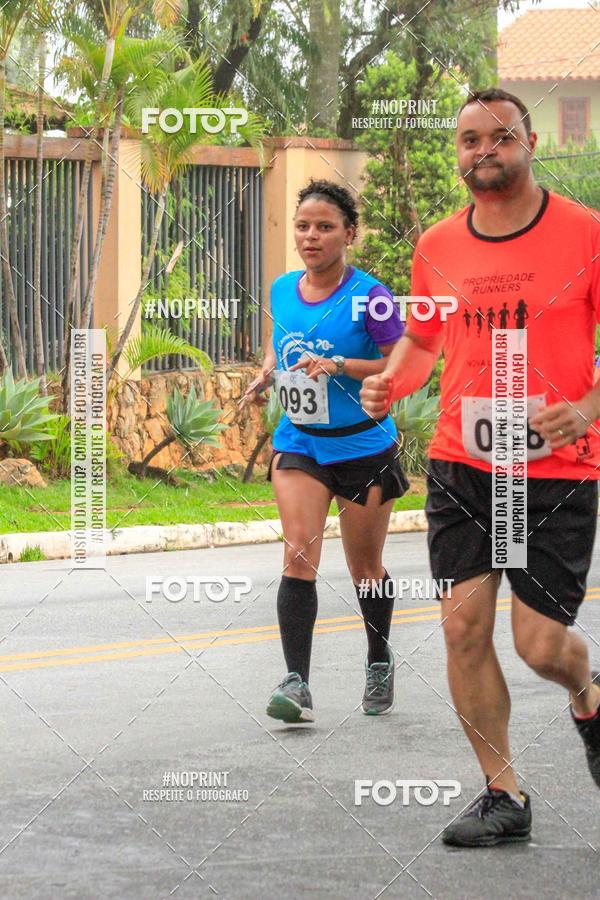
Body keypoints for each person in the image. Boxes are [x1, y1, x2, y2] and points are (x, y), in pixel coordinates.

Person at [360, 88, 600, 846]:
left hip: (557, 464)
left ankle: (588, 693)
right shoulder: (435, 246)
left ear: (530, 143)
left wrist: (589, 410)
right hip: (465, 461)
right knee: (464, 630)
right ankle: (503, 795)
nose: (483, 152)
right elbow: (425, 343)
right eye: (469, 141)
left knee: (539, 647)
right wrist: (388, 383)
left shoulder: (586, 235)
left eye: (499, 138)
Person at [240, 179, 408, 723]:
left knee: (365, 568)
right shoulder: (283, 288)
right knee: (298, 552)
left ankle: (378, 659)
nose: (310, 236)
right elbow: (280, 338)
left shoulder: (370, 296)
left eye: (325, 227)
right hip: (301, 442)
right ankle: (297, 684)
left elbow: (399, 360)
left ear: (349, 234)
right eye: (303, 226)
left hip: (362, 448)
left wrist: (339, 366)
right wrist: (268, 372)